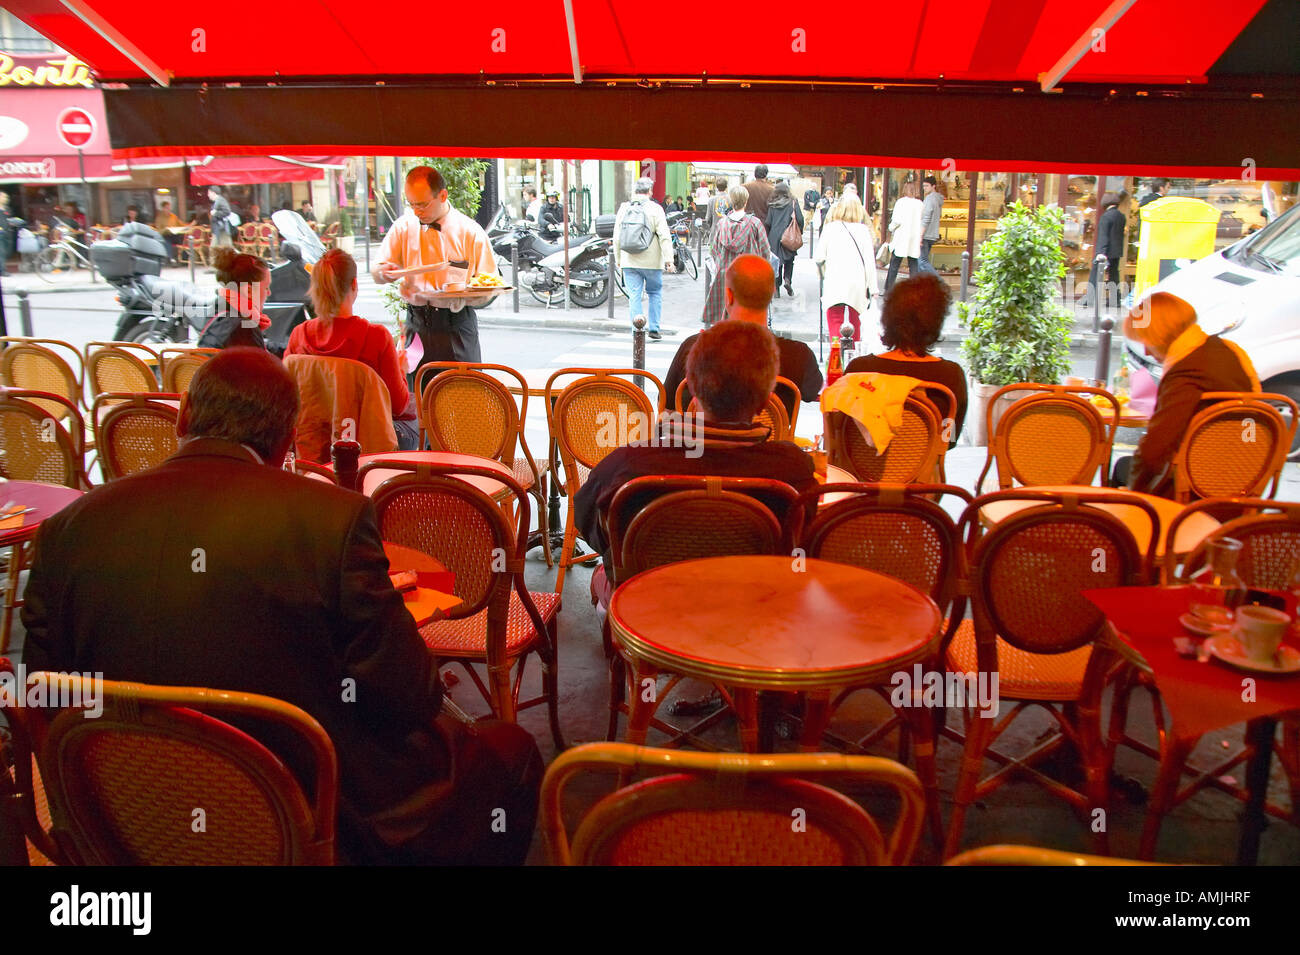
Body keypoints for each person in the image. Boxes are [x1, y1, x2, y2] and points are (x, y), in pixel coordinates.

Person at [21, 347, 543, 865]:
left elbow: (42, 695)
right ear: (286, 437)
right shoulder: (329, 522)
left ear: (182, 417)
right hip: (305, 814)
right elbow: (408, 697)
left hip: (124, 813)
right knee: (512, 754)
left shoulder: (69, 528)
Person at [576, 318, 818, 581]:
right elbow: (801, 547)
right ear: (765, 402)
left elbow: (590, 526)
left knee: (601, 576)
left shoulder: (628, 465)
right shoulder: (793, 471)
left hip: (650, 610)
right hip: (756, 608)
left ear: (691, 386)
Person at [1111, 292, 1259, 498]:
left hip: (1196, 484)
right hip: (1247, 476)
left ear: (1159, 336)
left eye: (1147, 341)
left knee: (1123, 468)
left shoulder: (1185, 373)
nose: (1145, 351)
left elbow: (1155, 449)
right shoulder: (1232, 351)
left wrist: (1136, 495)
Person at [285, 248, 419, 450]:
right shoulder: (375, 337)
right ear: (354, 284)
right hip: (364, 444)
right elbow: (398, 406)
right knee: (417, 416)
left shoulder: (299, 335)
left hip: (311, 443)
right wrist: (401, 369)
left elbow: (288, 397)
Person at [372, 165, 498, 372]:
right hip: (416, 324)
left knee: (464, 395)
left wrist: (466, 293)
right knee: (416, 398)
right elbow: (376, 272)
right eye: (411, 204)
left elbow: (488, 287)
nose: (416, 211)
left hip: (456, 325)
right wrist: (384, 272)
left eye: (422, 204)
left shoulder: (470, 232)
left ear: (442, 195)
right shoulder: (404, 227)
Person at [665, 254, 821, 420]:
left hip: (702, 444)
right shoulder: (799, 356)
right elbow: (816, 394)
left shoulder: (694, 348)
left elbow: (666, 413)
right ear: (771, 294)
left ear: (729, 295)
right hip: (771, 445)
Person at [845, 273, 968, 448]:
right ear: (936, 321)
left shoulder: (858, 371)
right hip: (925, 475)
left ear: (888, 317)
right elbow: (948, 440)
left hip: (862, 474)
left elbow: (844, 434)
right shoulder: (951, 376)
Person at [814, 193, 880, 349]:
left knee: (835, 319)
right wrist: (873, 288)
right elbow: (869, 262)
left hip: (835, 281)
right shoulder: (863, 231)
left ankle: (837, 355)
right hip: (857, 284)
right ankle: (853, 355)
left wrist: (822, 275)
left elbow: (819, 258)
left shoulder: (830, 228)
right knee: (855, 320)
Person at [613, 176, 674, 341]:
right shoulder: (656, 209)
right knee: (654, 293)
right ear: (650, 191)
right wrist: (669, 259)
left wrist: (618, 258)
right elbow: (664, 235)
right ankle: (654, 328)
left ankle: (636, 329)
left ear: (635, 191)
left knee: (634, 295)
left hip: (629, 260)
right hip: (652, 261)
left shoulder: (624, 208)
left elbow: (617, 236)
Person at [701, 184, 770, 328]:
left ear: (731, 201)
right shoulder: (755, 224)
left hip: (726, 275)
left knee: (727, 316)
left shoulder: (722, 224)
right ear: (746, 201)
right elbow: (765, 251)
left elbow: (714, 250)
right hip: (749, 276)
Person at [198, 247, 273, 350]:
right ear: (249, 291)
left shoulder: (217, 309)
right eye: (266, 287)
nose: (269, 293)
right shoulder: (244, 326)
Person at [764, 181, 804, 298]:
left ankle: (776, 287)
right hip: (789, 235)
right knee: (789, 260)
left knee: (776, 262)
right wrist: (799, 231)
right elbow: (800, 219)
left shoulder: (772, 204)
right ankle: (787, 280)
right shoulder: (793, 202)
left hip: (774, 236)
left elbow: (768, 222)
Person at [1090, 191, 1128, 310]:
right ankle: (1114, 300)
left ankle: (1090, 298)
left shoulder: (1106, 217)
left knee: (1095, 273)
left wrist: (1101, 252)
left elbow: (1103, 236)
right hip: (1116, 250)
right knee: (1114, 275)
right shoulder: (1121, 216)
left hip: (1105, 250)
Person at [885, 181, 923, 291]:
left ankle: (889, 289)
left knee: (895, 264)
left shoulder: (900, 202)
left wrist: (890, 228)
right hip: (914, 236)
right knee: (913, 263)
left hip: (902, 235)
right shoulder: (920, 204)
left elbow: (896, 220)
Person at [919, 175, 944, 274]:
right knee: (921, 262)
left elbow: (926, 218)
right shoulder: (938, 199)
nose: (924, 188)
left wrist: (920, 235)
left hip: (926, 234)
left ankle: (938, 282)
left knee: (922, 261)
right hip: (932, 234)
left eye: (926, 186)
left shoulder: (930, 199)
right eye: (923, 186)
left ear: (933, 186)